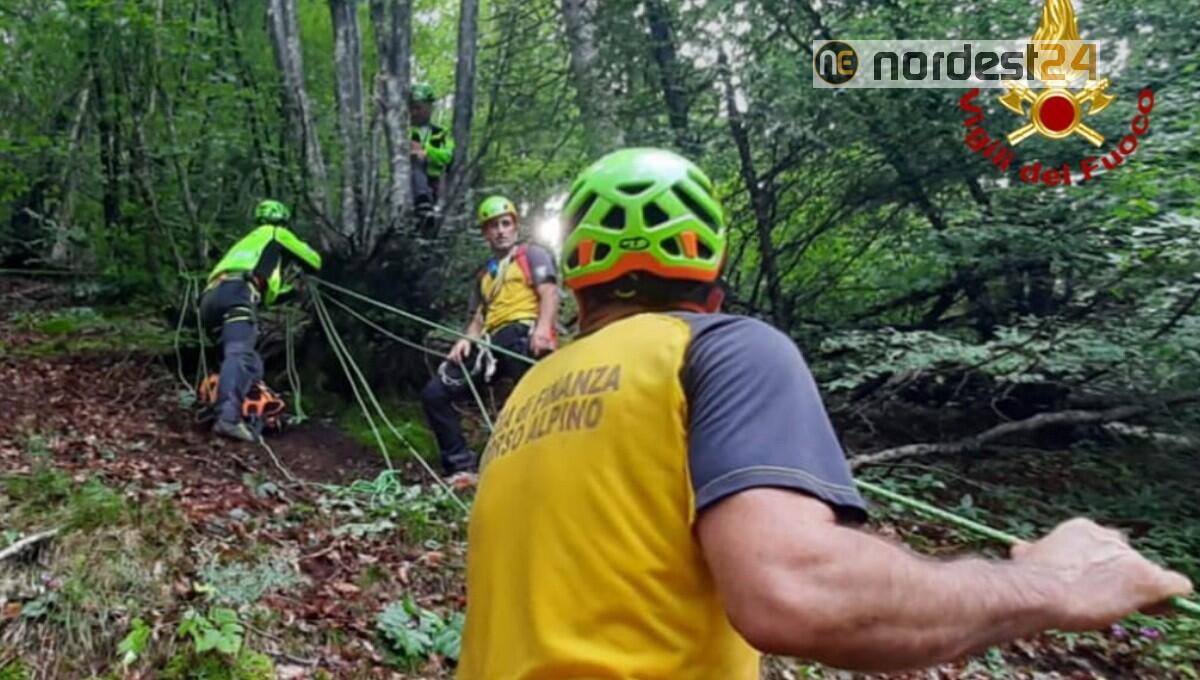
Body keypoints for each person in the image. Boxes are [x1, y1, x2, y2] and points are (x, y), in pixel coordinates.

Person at [456, 148, 1193, 678]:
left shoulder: (528, 393)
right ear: (711, 277)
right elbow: (796, 591)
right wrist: (1056, 584)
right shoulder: (724, 348)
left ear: (580, 286)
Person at [420, 195, 559, 475]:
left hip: (523, 332)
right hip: (488, 343)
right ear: (485, 232)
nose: (501, 231)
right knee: (434, 394)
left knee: (536, 400)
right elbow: (477, 318)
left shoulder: (532, 255)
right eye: (493, 226)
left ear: (515, 226)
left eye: (506, 224)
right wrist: (465, 340)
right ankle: (461, 465)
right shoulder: (485, 274)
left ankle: (547, 463)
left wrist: (543, 330)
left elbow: (550, 293)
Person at [200, 199, 322, 442]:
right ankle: (228, 418)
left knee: (252, 363)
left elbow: (267, 291)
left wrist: (288, 292)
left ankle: (245, 409)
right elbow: (314, 261)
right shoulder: (276, 233)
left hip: (210, 299)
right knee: (240, 355)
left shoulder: (247, 243)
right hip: (238, 293)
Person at [410, 82, 454, 221]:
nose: (414, 112)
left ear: (429, 107)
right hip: (408, 185)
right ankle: (421, 200)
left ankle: (426, 204)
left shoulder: (441, 133)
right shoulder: (404, 131)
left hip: (435, 183)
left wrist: (426, 152)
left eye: (418, 107)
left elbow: (448, 156)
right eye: (411, 108)